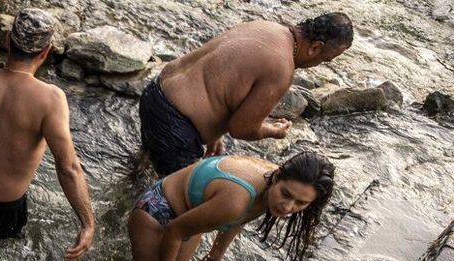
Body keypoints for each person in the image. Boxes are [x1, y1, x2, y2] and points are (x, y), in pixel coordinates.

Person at [0, 7, 96, 256]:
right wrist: (88, 223)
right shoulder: (50, 99)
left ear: (8, 41)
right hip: (2, 206)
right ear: (46, 51)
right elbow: (68, 168)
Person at [140, 13, 354, 176]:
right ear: (316, 47)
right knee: (181, 207)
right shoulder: (282, 67)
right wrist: (273, 131)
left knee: (143, 168)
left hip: (155, 93)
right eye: (326, 60)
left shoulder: (266, 27)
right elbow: (242, 128)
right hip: (176, 126)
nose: (319, 64)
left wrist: (213, 132)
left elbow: (218, 80)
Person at [129, 151, 335, 261]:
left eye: (301, 203)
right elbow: (174, 231)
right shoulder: (237, 199)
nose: (288, 207)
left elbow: (239, 219)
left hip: (189, 214)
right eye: (286, 194)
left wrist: (215, 257)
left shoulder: (273, 187)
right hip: (156, 210)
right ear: (277, 176)